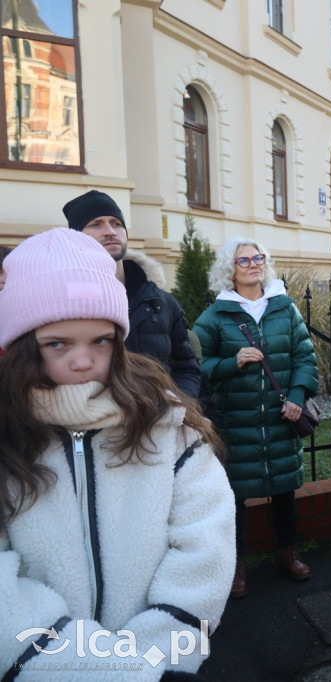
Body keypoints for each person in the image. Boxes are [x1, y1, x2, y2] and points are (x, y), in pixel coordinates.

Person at [0, 228, 233, 677]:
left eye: (100, 340)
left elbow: (206, 548)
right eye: (58, 343)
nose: (83, 360)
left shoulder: (166, 426)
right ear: (24, 345)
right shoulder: (9, 438)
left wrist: (152, 662)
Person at [193, 238, 319, 599]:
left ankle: (288, 552)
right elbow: (195, 365)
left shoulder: (284, 308)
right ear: (229, 269)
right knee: (234, 497)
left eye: (258, 257)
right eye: (243, 259)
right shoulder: (216, 316)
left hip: (281, 418)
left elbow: (305, 358)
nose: (252, 264)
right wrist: (232, 362)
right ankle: (236, 565)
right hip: (237, 421)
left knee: (284, 491)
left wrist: (297, 397)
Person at [62, 190, 201, 398]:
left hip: (161, 421)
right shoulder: (64, 301)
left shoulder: (161, 301)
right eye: (96, 224)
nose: (110, 231)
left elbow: (187, 368)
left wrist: (177, 408)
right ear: (76, 237)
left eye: (116, 223)